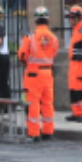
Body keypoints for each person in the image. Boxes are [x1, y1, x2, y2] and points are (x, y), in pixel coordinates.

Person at [19, 7, 59, 142]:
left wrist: (27, 62)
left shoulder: (30, 36)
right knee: (47, 103)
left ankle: (34, 133)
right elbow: (54, 53)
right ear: (48, 19)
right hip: (48, 72)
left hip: (33, 73)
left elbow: (22, 55)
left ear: (35, 20)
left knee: (32, 103)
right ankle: (48, 131)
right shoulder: (53, 37)